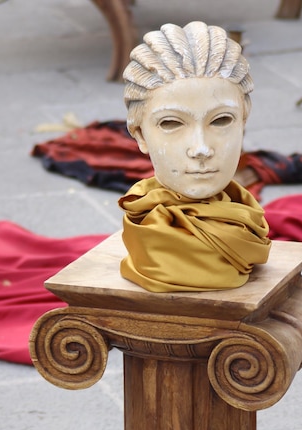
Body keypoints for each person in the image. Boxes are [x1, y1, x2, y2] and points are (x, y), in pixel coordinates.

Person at [119, 21, 271, 292]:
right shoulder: (147, 224)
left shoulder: (249, 221)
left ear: (243, 124)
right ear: (140, 135)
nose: (201, 148)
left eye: (221, 120)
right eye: (172, 123)